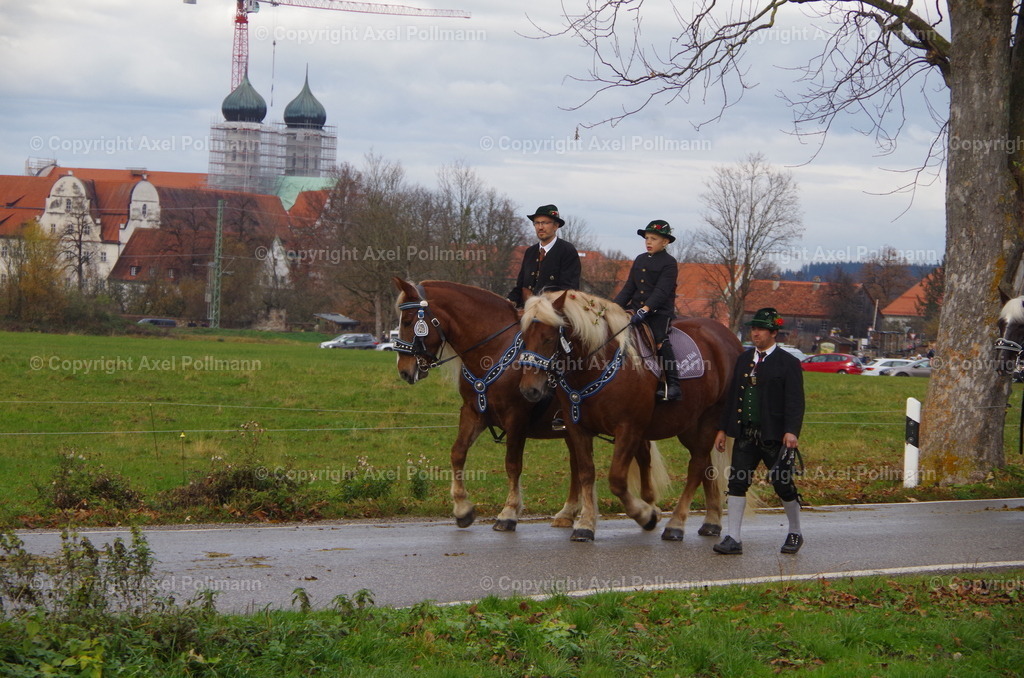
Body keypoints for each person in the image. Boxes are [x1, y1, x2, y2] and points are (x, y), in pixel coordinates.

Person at [713, 307, 806, 555]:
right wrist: (722, 429)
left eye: (761, 329)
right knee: (737, 483)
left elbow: (795, 402)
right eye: (753, 328)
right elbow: (732, 397)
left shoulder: (788, 363)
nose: (756, 333)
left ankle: (795, 532)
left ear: (774, 332)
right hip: (746, 434)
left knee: (783, 484)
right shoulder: (744, 360)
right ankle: (733, 537)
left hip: (775, 436)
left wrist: (791, 431)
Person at [613, 219, 681, 401]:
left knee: (660, 339)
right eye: (647, 238)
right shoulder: (640, 259)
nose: (648, 242)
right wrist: (612, 308)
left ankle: (672, 384)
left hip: (658, 312)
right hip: (635, 310)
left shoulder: (669, 263)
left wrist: (646, 309)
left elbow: (661, 291)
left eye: (653, 239)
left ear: (665, 242)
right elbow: (629, 288)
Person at [507, 204, 581, 308]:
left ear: (555, 226)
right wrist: (509, 301)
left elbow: (568, 291)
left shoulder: (567, 251)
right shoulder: (530, 252)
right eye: (537, 223)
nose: (540, 227)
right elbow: (520, 286)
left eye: (545, 223)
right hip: (525, 312)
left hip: (553, 315)